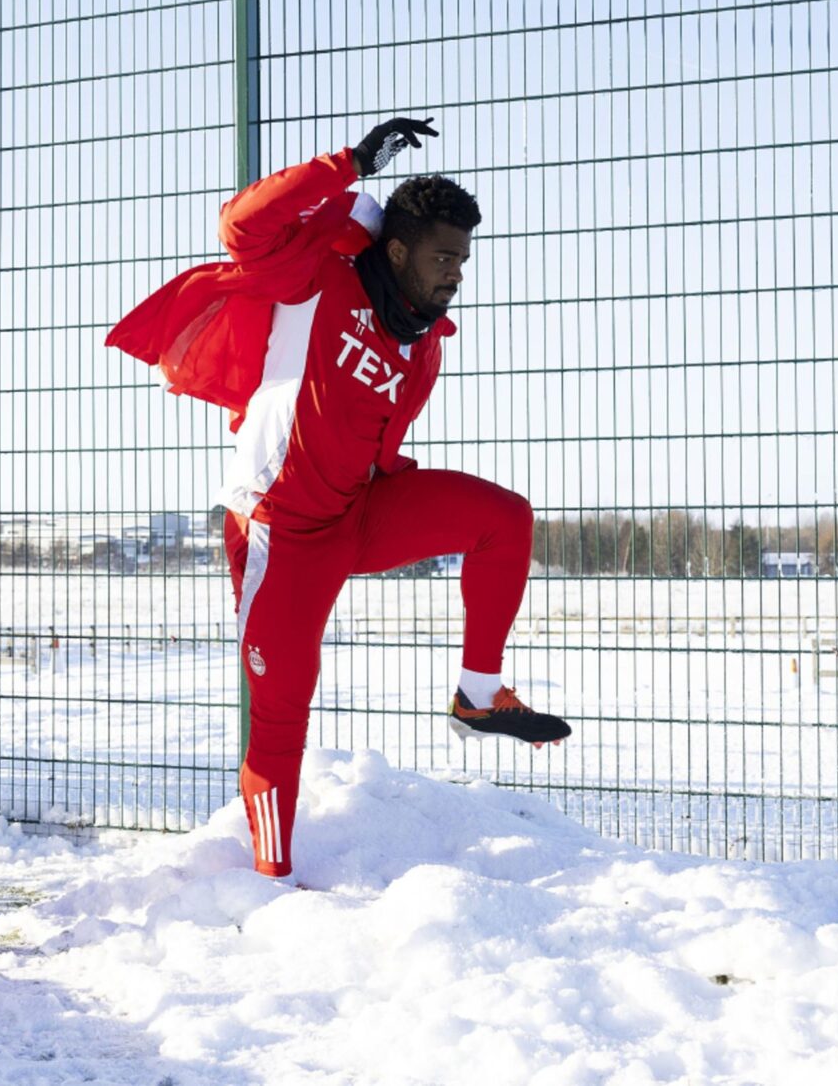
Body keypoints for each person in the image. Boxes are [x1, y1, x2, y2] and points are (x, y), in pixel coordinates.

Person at [107, 117, 568, 879]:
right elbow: (241, 223)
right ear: (397, 249)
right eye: (442, 256)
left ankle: (478, 696)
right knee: (282, 722)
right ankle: (270, 882)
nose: (455, 272)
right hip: (279, 532)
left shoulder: (423, 339)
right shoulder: (319, 268)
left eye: (463, 259)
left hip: (358, 510)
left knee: (503, 518)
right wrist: (348, 164)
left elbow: (378, 432)